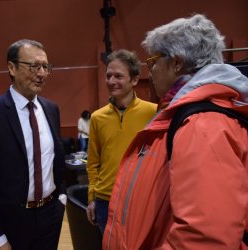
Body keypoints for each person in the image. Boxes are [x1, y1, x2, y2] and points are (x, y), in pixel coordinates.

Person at [103, 14, 248, 249]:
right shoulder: (185, 114)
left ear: (176, 64)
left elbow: (205, 238)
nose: (151, 72)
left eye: (153, 62)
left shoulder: (203, 124)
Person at [0, 39, 66, 250]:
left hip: (50, 216)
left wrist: (61, 200)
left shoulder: (51, 109)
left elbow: (56, 160)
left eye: (46, 67)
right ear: (11, 67)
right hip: (9, 222)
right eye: (34, 66)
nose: (41, 73)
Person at [86, 49, 157, 235]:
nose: (111, 81)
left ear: (134, 80)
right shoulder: (97, 118)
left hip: (139, 198)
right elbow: (93, 163)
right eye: (108, 76)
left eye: (118, 76)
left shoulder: (153, 112)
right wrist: (91, 198)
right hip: (104, 201)